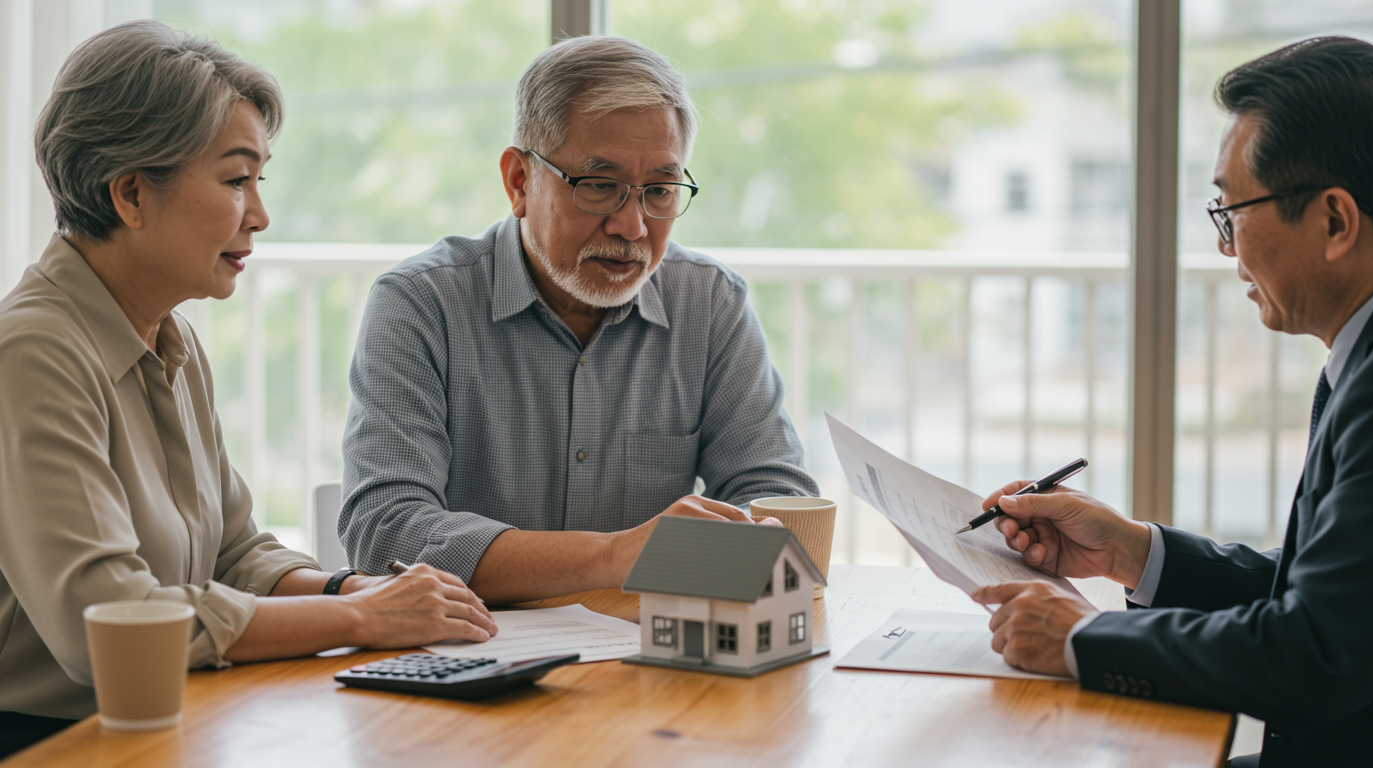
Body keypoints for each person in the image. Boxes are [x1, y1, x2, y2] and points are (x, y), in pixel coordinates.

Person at [0, 21, 495, 759]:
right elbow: (108, 624)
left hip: (175, 720)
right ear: (131, 193)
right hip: (55, 743)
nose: (259, 215)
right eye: (236, 180)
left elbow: (235, 553)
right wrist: (364, 623)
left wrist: (347, 591)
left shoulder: (170, 335)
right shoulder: (32, 352)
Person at [969, 37, 1373, 767]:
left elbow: (1315, 653)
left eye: (1233, 211)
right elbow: (1334, 593)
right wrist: (1133, 551)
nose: (1225, 249)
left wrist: (1079, 639)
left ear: (1336, 221)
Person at [339, 36, 817, 604]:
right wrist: (617, 557)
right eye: (600, 186)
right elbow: (385, 532)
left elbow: (773, 498)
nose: (633, 227)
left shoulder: (709, 303)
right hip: (474, 659)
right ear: (519, 181)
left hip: (650, 654)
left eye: (660, 190)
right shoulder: (421, 304)